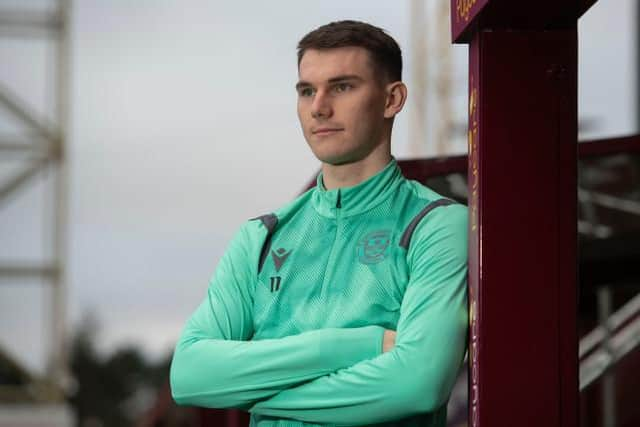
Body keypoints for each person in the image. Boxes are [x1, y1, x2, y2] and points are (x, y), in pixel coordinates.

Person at [170, 20, 468, 427]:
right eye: (307, 90)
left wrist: (256, 396)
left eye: (342, 87)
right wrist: (358, 346)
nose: (319, 107)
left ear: (391, 99)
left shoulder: (436, 226)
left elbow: (416, 385)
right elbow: (190, 375)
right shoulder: (260, 237)